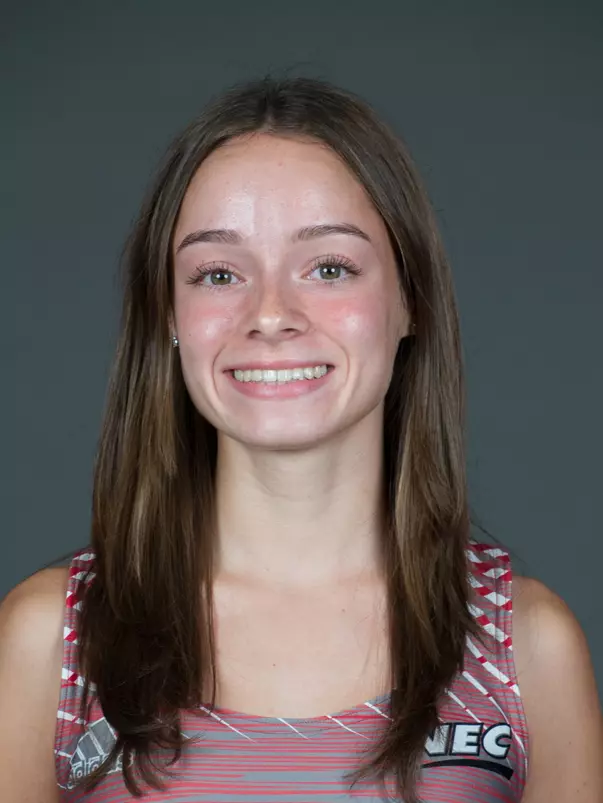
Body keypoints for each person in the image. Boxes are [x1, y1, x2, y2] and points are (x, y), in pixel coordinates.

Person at [1, 76, 601, 803]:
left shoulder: (526, 647)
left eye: (328, 267)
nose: (271, 313)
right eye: (218, 273)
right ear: (168, 314)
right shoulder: (52, 641)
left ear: (408, 299)